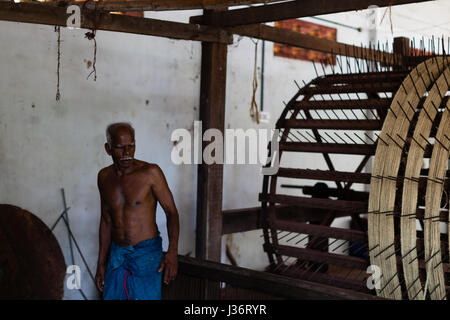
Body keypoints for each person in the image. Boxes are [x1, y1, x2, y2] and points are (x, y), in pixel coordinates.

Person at [95, 122, 179, 300]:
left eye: (131, 146)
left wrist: (172, 253)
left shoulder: (151, 173)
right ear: (108, 149)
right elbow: (106, 220)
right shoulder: (104, 177)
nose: (127, 153)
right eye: (120, 147)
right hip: (117, 255)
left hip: (146, 256)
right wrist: (101, 263)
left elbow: (171, 212)